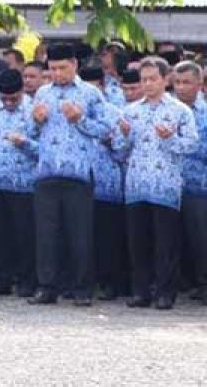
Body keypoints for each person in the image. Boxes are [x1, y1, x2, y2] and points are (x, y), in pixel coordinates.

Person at [27, 43, 109, 307]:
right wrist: (36, 121)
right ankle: (47, 286)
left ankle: (82, 288)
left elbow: (105, 129)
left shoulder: (90, 94)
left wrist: (80, 119)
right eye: (53, 69)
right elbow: (32, 132)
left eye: (63, 68)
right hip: (47, 172)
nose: (58, 73)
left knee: (79, 233)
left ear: (74, 65)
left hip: (79, 174)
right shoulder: (42, 92)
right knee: (46, 234)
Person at [113, 57, 199, 310]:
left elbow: (191, 145)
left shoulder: (180, 111)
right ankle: (141, 291)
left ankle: (165, 293)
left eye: (153, 79)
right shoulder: (130, 111)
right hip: (136, 185)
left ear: (165, 79)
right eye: (144, 79)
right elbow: (118, 150)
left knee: (166, 243)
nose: (148, 84)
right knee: (138, 242)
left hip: (165, 186)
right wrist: (125, 136)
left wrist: (171, 138)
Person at [0, 69, 38, 297]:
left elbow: (44, 148)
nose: (8, 103)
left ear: (22, 91)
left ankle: (27, 279)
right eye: (4, 98)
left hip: (24, 184)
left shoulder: (34, 111)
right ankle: (0, 278)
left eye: (13, 98)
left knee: (24, 236)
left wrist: (25, 143)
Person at [81, 64, 129, 300]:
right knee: (82, 237)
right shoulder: (71, 111)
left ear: (101, 86)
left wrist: (111, 142)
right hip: (80, 183)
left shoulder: (113, 113)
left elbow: (122, 152)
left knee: (108, 237)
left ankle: (111, 283)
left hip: (107, 184)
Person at [176, 61, 207, 302]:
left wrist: (177, 143)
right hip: (168, 185)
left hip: (198, 185)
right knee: (173, 237)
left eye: (187, 82)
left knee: (200, 237)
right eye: (177, 82)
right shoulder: (167, 109)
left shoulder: (204, 113)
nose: (181, 87)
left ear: (199, 84)